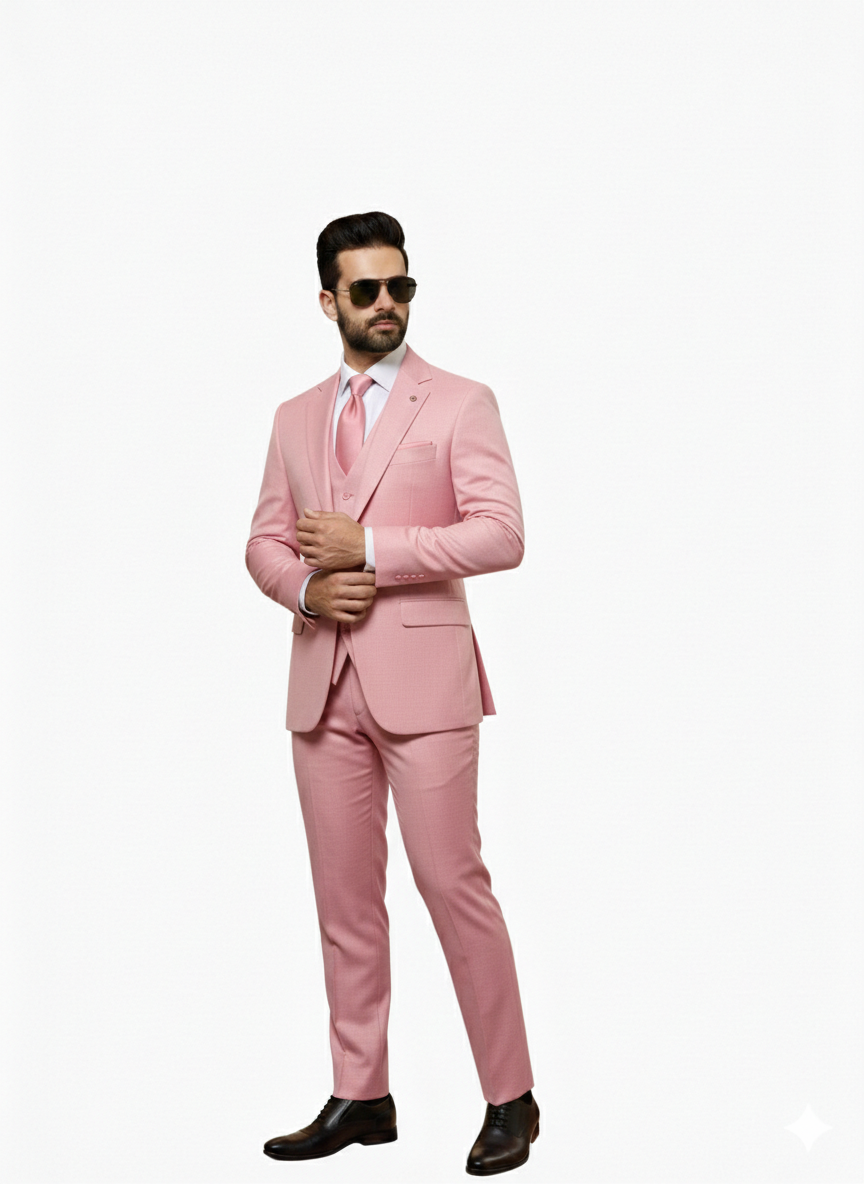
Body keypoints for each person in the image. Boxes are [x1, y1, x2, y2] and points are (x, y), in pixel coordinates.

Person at [245, 211, 539, 1175]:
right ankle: (361, 1094)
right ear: (327, 300)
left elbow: (502, 533)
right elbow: (264, 540)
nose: (386, 304)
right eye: (366, 289)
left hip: (426, 685)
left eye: (399, 286)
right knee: (343, 902)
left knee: (453, 884)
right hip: (322, 684)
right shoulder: (294, 417)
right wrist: (305, 587)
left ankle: (512, 1096)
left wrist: (372, 549)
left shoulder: (460, 402)